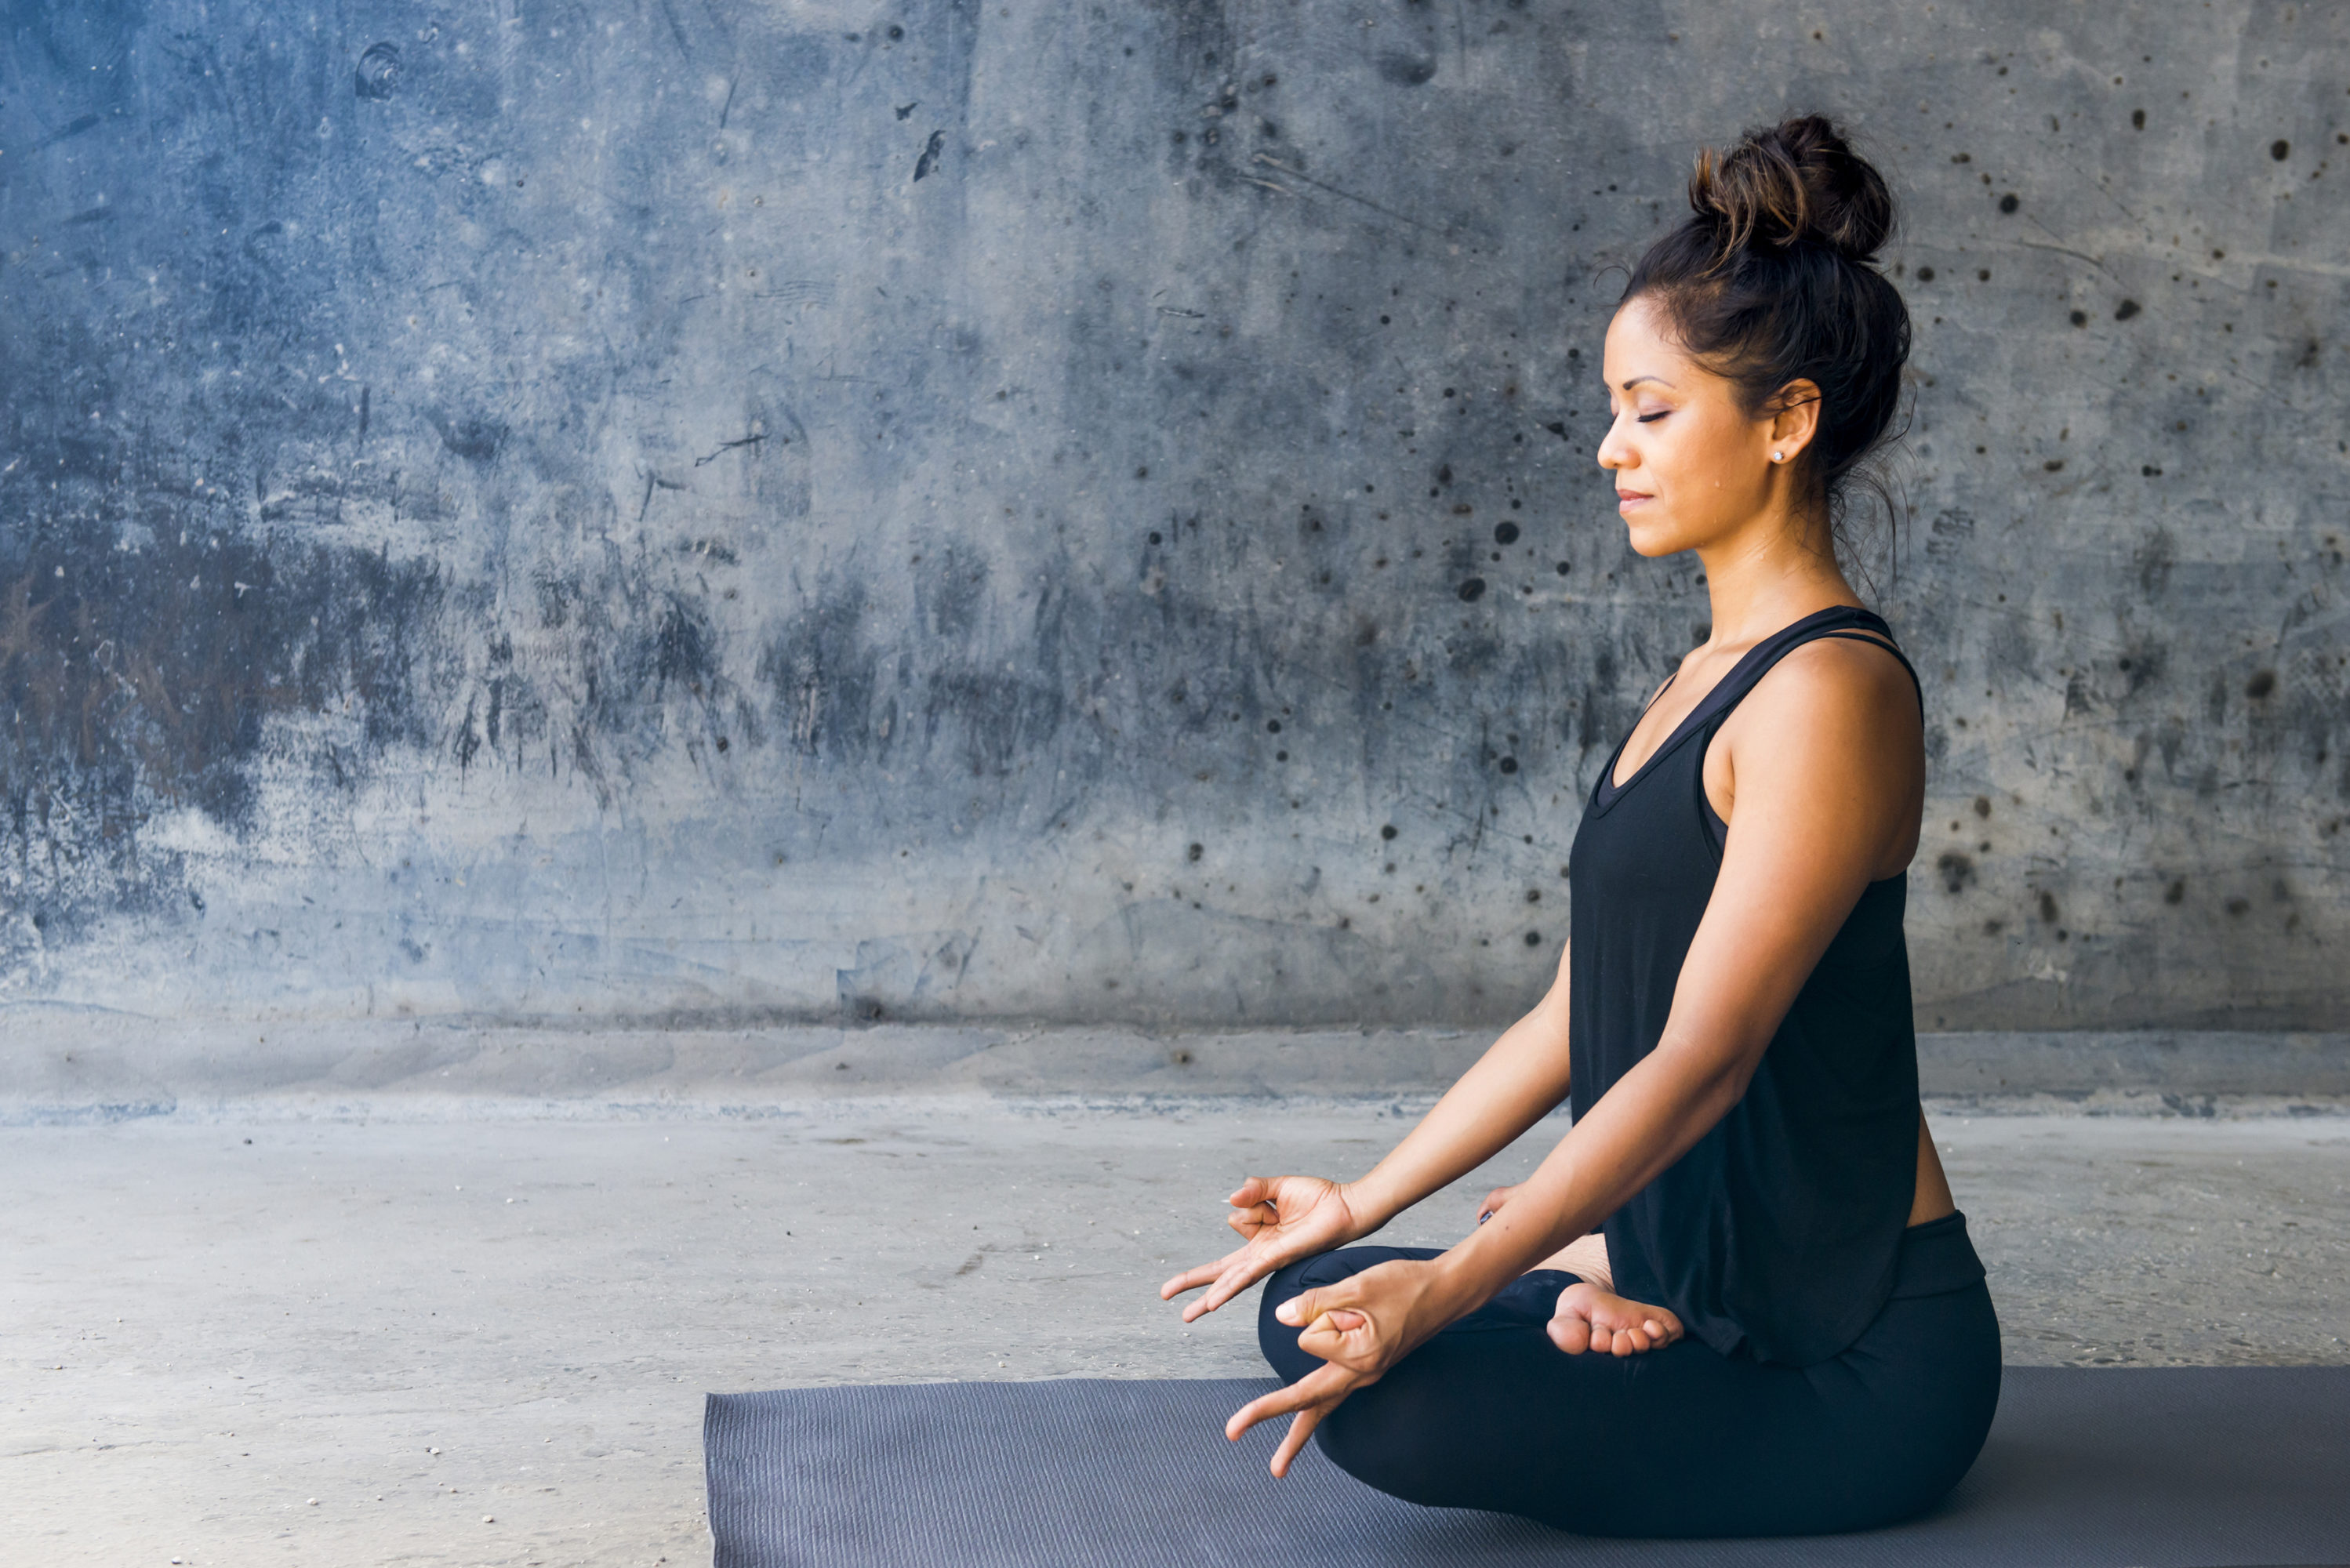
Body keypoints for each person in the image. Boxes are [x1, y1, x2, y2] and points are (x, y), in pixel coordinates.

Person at [1160, 114, 2000, 1539]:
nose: (1611, 448)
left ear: (1786, 422)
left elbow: (1703, 1057)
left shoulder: (1827, 693)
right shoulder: (1700, 681)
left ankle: (1632, 1290)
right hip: (1716, 1268)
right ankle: (1632, 1281)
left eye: (1651, 410)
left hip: (1854, 1356)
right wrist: (1359, 1212)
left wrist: (1452, 1287)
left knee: (1399, 1386)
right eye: (1612, 408)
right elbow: (1573, 1013)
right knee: (1315, 1313)